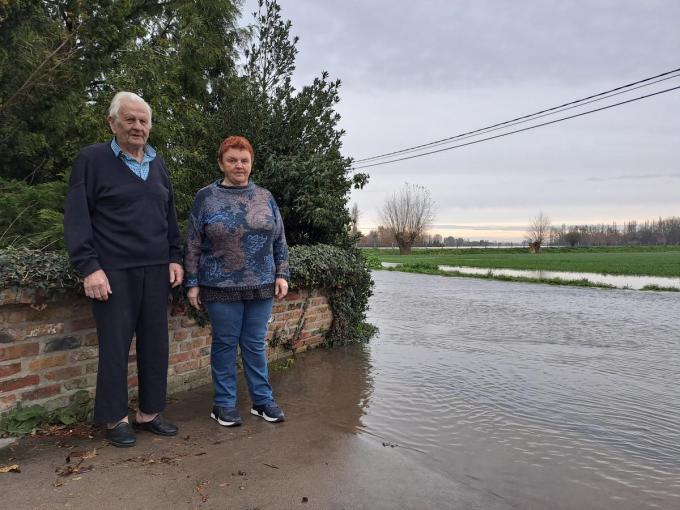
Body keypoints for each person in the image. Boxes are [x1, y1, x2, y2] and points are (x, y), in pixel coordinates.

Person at [64, 91, 183, 447]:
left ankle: (149, 412)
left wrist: (175, 257)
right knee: (115, 346)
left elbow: (170, 217)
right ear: (112, 123)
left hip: (156, 270)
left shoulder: (158, 163)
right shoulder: (92, 160)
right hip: (113, 271)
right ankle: (115, 418)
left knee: (155, 344)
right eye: (129, 119)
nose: (137, 126)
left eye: (143, 120)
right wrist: (89, 267)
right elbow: (77, 217)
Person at [184, 135, 289, 427]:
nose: (239, 165)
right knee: (225, 344)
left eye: (244, 160)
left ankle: (262, 401)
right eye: (232, 160)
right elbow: (193, 242)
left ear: (251, 163)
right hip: (219, 286)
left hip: (262, 285)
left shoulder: (265, 197)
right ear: (221, 163)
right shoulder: (205, 197)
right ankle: (224, 404)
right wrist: (192, 281)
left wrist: (282, 274)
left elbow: (279, 239)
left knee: (255, 344)